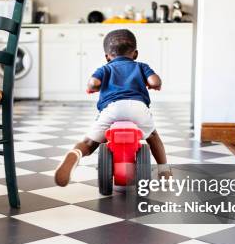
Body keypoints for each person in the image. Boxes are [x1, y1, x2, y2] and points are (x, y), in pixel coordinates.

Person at [54, 29, 171, 187]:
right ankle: (164, 171)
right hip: (138, 109)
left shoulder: (105, 68)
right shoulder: (141, 66)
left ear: (107, 56)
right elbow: (155, 81)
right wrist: (154, 85)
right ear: (135, 54)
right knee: (153, 137)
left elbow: (93, 83)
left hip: (112, 109)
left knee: (89, 142)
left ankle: (76, 153)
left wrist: (93, 88)